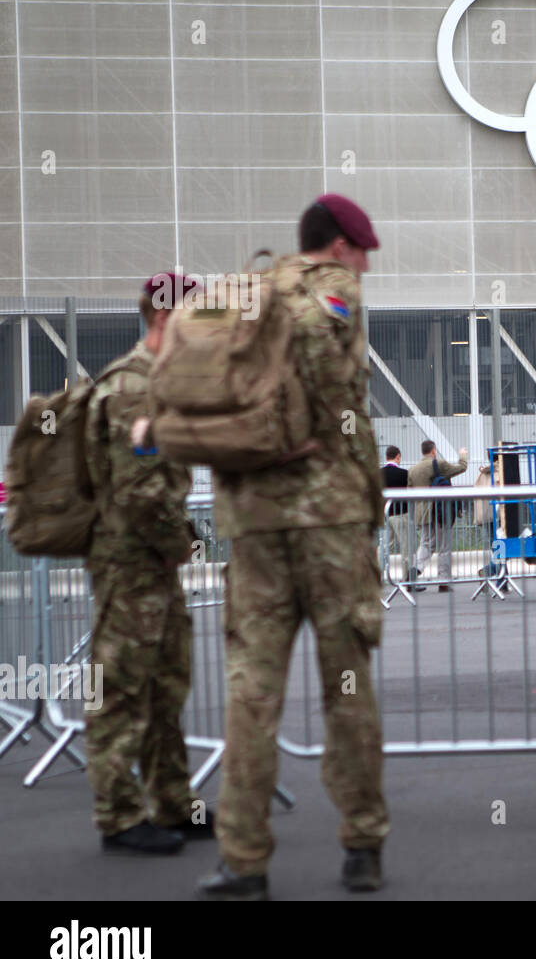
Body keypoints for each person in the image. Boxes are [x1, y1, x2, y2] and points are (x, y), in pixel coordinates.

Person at [195, 194, 390, 899]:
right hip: (329, 526)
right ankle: (362, 842)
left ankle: (242, 860)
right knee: (347, 690)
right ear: (338, 246)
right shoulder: (331, 291)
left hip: (253, 524)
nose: (366, 266)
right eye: (363, 251)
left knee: (251, 693)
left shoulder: (245, 289)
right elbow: (341, 390)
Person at [83, 274, 207, 855]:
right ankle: (119, 816)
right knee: (121, 689)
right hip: (130, 563)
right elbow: (137, 493)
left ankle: (174, 805)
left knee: (166, 684)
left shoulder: (159, 382)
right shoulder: (132, 387)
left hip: (152, 561)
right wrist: (176, 541)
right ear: (165, 320)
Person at [408, 439, 469, 592]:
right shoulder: (439, 464)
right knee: (444, 546)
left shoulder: (413, 470)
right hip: (440, 511)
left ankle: (413, 573)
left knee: (426, 543)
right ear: (434, 451)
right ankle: (443, 581)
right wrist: (462, 456)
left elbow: (408, 491)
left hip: (423, 513)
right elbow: (461, 468)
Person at [381, 446, 421, 591]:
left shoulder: (379, 474)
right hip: (401, 513)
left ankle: (375, 575)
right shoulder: (404, 474)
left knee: (385, 546)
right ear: (398, 456)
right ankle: (408, 581)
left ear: (386, 457)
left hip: (386, 514)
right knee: (407, 548)